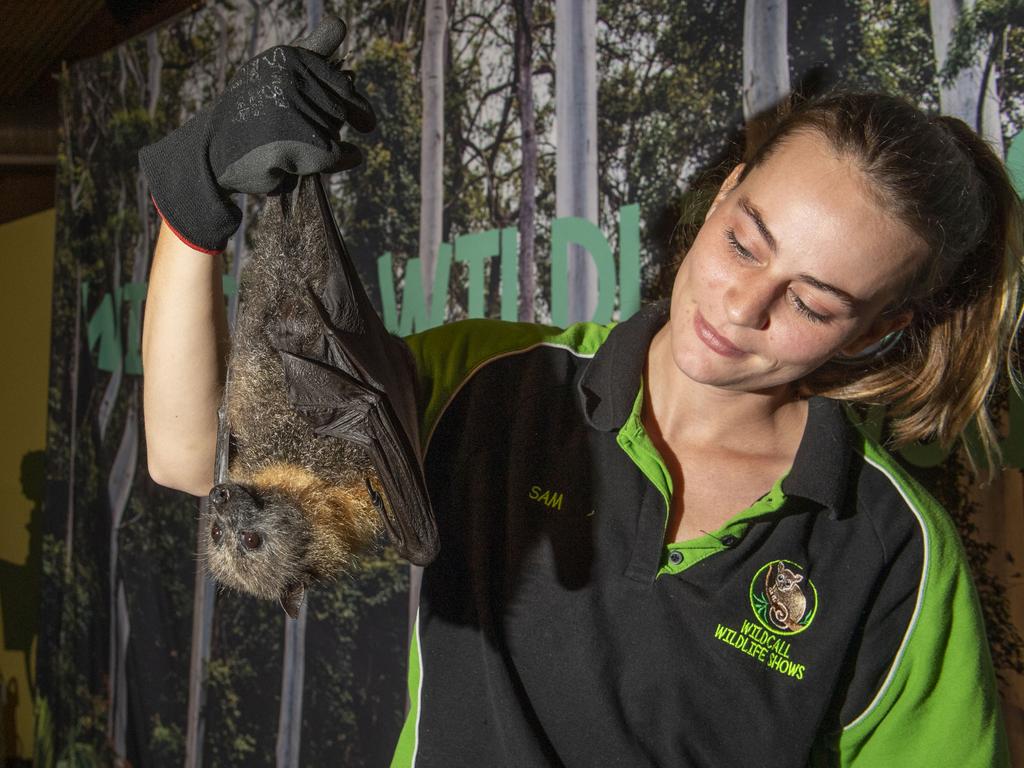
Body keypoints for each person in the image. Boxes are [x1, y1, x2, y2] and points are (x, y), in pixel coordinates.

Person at [140, 16, 1020, 768]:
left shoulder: (891, 551)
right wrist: (193, 204)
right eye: (746, 245)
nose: (741, 306)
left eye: (812, 301)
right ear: (721, 199)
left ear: (872, 333)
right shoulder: (502, 389)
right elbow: (190, 459)